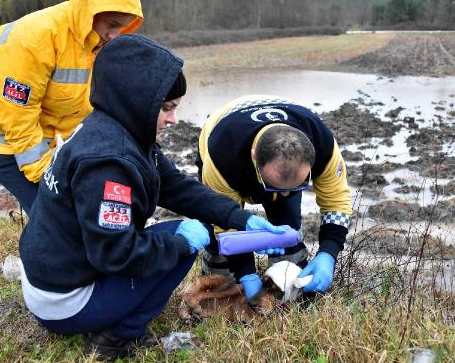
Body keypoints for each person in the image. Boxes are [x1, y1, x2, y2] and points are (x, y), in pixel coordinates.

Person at [18, 35, 287, 360]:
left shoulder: (117, 130)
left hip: (55, 276)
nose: (173, 119)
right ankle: (115, 338)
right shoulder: (108, 164)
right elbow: (115, 254)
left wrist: (241, 218)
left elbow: (175, 186)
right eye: (166, 108)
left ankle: (113, 311)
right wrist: (178, 246)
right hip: (63, 302)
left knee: (178, 235)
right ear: (136, 101)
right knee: (181, 243)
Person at [0, 0, 143, 214]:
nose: (115, 36)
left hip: (52, 138)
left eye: (122, 28)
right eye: (112, 24)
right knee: (50, 213)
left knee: (74, 210)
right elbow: (17, 114)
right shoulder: (35, 36)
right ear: (91, 10)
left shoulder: (97, 43)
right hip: (7, 141)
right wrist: (45, 174)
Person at [197, 95, 352, 298]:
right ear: (255, 157)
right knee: (220, 256)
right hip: (227, 138)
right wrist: (245, 273)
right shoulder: (222, 155)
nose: (286, 194)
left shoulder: (324, 146)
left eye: (298, 185)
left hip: (285, 139)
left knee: (287, 228)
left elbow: (337, 201)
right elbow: (223, 221)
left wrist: (328, 253)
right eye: (275, 186)